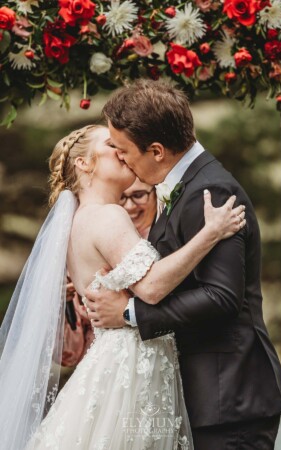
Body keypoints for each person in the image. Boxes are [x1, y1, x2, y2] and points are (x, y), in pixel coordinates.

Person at [0, 124, 245, 450]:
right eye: (111, 145)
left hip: (118, 359)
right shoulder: (108, 216)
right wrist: (210, 233)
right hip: (130, 366)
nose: (122, 150)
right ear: (84, 164)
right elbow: (153, 287)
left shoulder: (78, 221)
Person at [84, 80, 281, 450]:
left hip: (230, 398)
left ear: (157, 151)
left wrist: (130, 313)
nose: (122, 158)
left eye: (125, 150)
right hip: (210, 396)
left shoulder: (210, 193)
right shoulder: (186, 186)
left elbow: (222, 296)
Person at [61, 177, 157, 367]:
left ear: (155, 194)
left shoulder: (167, 244)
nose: (130, 205)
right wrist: (62, 304)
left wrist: (127, 312)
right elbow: (69, 354)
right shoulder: (84, 251)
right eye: (122, 197)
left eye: (138, 195)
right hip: (102, 367)